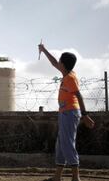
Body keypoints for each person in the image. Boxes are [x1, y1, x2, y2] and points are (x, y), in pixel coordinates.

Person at [38, 43, 95, 181]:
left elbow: (79, 95)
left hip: (70, 113)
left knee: (67, 143)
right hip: (65, 113)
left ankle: (76, 178)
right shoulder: (66, 73)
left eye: (60, 61)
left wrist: (85, 115)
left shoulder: (70, 78)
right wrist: (44, 49)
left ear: (63, 64)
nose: (58, 62)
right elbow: (53, 62)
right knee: (61, 144)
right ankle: (57, 177)